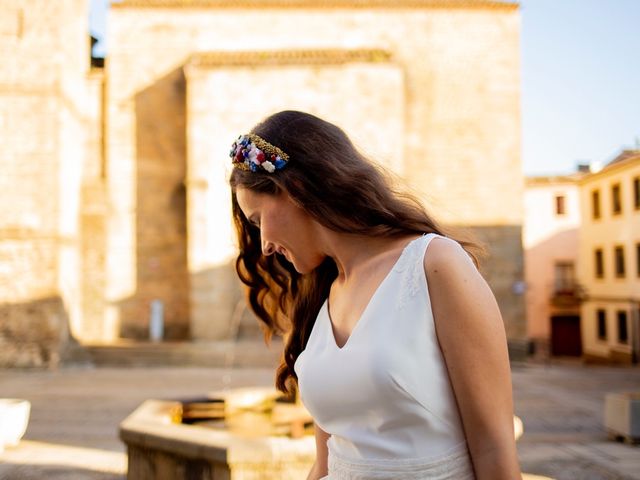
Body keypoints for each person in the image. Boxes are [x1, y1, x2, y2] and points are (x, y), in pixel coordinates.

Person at [228, 110, 522, 479]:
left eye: (257, 221)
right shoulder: (320, 296)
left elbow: (494, 448)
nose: (265, 246)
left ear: (295, 191)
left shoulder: (434, 264)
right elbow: (325, 463)